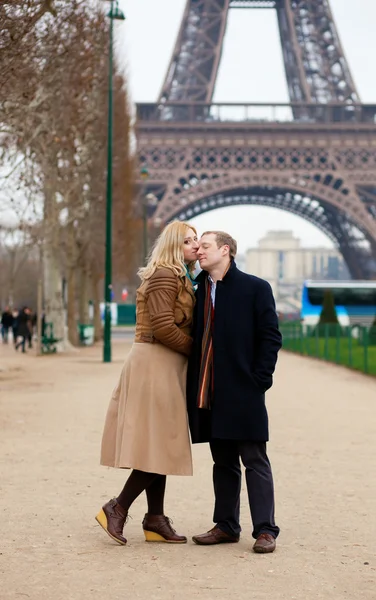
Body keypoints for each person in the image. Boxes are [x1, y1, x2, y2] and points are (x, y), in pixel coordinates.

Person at [96, 221, 199, 546]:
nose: (195, 245)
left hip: (164, 362)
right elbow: (163, 327)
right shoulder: (166, 275)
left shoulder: (183, 276)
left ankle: (155, 518)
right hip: (155, 360)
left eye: (197, 239)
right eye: (188, 240)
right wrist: (201, 353)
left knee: (158, 441)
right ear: (173, 245)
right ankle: (118, 506)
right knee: (162, 440)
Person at [187, 231, 282, 554]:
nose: (198, 251)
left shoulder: (256, 288)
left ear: (225, 250)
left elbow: (271, 336)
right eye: (196, 247)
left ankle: (266, 530)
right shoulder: (197, 289)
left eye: (206, 246)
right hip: (210, 390)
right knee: (222, 461)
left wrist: (260, 380)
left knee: (254, 458)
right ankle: (226, 525)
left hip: (244, 388)